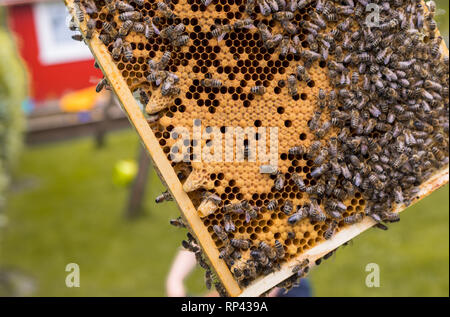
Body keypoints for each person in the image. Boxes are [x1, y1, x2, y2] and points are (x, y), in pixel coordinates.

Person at [166, 249, 312, 297]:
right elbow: (198, 235)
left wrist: (273, 284)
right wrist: (174, 281)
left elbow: (310, 248)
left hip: (283, 285)